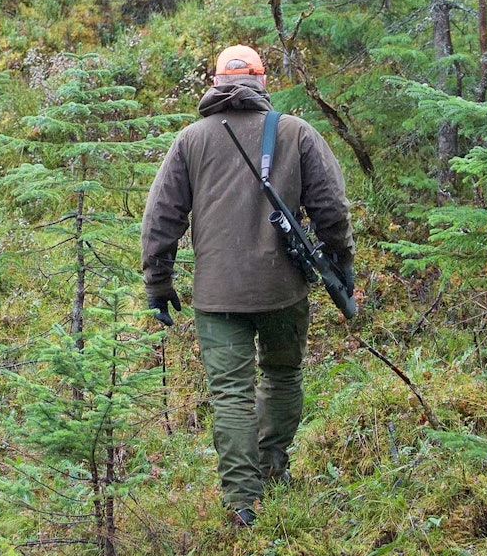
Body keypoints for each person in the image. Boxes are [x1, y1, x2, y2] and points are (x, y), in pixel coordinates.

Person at [141, 44, 355, 526]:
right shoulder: (297, 133)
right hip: (284, 291)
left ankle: (242, 501)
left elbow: (160, 220)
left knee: (231, 394)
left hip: (217, 297)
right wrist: (342, 265)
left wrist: (158, 282)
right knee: (282, 375)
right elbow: (332, 213)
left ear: (216, 83)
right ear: (262, 80)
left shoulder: (190, 140)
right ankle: (272, 467)